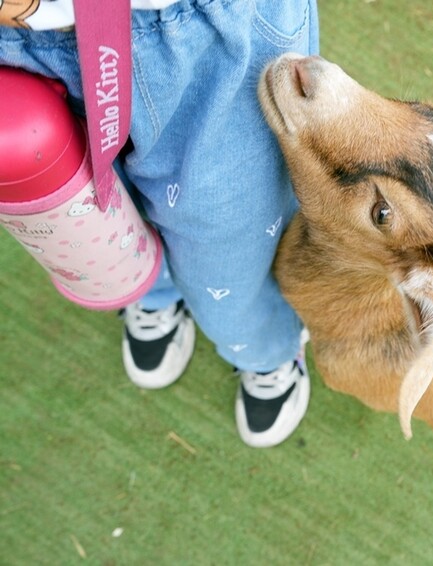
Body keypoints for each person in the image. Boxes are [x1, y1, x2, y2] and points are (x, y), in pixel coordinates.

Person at [0, 0, 319, 448]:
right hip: (23, 47)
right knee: (98, 211)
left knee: (233, 235)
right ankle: (154, 288)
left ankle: (263, 348)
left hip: (197, 32)